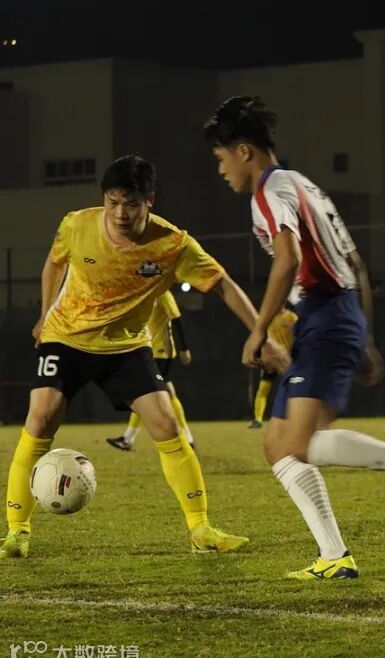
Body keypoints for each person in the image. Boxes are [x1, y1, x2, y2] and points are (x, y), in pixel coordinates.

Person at [203, 95, 385, 582]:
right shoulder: (306, 185)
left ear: (243, 151)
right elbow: (355, 263)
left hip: (326, 316)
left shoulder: (269, 191)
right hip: (332, 316)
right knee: (278, 446)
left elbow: (288, 260)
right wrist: (364, 334)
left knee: (298, 444)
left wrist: (259, 329)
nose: (220, 170)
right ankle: (334, 555)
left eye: (220, 158)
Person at [0, 155, 286, 560]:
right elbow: (54, 264)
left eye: (131, 204)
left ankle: (200, 529)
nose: (120, 213)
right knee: (42, 416)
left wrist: (262, 333)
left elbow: (222, 284)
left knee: (167, 424)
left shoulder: (173, 245)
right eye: (113, 202)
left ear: (149, 201)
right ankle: (17, 531)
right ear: (104, 198)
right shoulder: (77, 224)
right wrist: (45, 313)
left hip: (127, 346)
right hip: (67, 338)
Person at [107, 289, 196, 450]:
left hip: (161, 352)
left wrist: (184, 348)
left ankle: (128, 438)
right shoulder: (144, 292)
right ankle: (187, 437)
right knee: (165, 394)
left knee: (143, 392)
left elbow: (176, 319)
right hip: (147, 350)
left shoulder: (163, 293)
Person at [250, 305, 298, 428]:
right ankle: (258, 420)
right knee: (263, 389)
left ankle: (294, 417)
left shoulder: (291, 317)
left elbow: (298, 336)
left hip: (286, 359)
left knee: (293, 389)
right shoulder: (267, 318)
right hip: (271, 359)